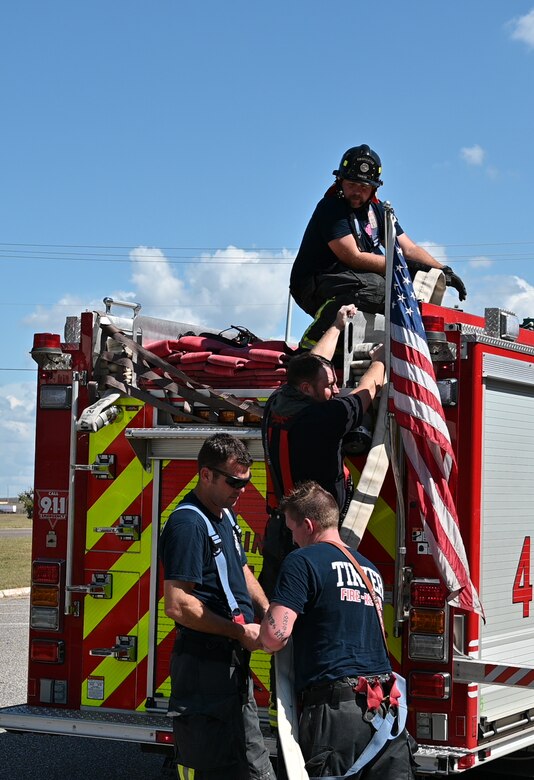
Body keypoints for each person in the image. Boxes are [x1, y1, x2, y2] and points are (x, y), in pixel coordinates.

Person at [259, 481, 417, 778]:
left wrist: (257, 631)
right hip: (385, 709)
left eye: (292, 530)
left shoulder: (302, 561)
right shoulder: (370, 569)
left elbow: (275, 636)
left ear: (308, 525)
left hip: (336, 714)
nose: (292, 539)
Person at [159, 433, 276, 780]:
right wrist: (239, 631)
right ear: (205, 475)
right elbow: (178, 605)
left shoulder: (224, 515)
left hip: (228, 665)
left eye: (245, 482)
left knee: (246, 762)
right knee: (229, 768)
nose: (241, 489)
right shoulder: (188, 522)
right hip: (204, 669)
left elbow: (241, 569)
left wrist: (268, 610)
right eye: (233, 481)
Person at [259, 303, 384, 597]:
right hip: (313, 535)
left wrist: (338, 326)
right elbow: (368, 389)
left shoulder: (278, 401)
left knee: (281, 599)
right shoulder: (323, 419)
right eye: (329, 385)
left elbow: (314, 362)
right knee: (314, 606)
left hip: (282, 529)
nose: (336, 389)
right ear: (306, 389)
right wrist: (380, 361)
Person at [290, 144, 467, 347]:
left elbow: (408, 249)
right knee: (381, 288)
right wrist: (408, 267)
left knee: (401, 292)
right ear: (340, 182)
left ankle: (344, 345)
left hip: (353, 279)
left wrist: (442, 270)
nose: (357, 192)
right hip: (315, 282)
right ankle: (313, 342)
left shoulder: (378, 210)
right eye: (352, 184)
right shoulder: (331, 208)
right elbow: (353, 257)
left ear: (374, 188)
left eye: (364, 187)